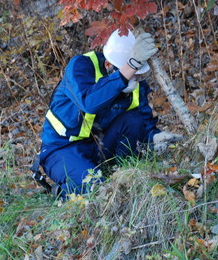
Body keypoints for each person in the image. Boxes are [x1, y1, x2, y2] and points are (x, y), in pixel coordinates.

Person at [40, 29, 182, 197]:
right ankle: (66, 192)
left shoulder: (134, 82)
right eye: (132, 72)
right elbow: (88, 102)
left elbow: (139, 120)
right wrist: (128, 69)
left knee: (134, 121)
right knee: (94, 189)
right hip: (62, 149)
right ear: (108, 65)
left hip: (99, 145)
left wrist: (155, 136)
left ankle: (121, 171)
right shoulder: (80, 66)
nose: (134, 77)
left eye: (137, 73)